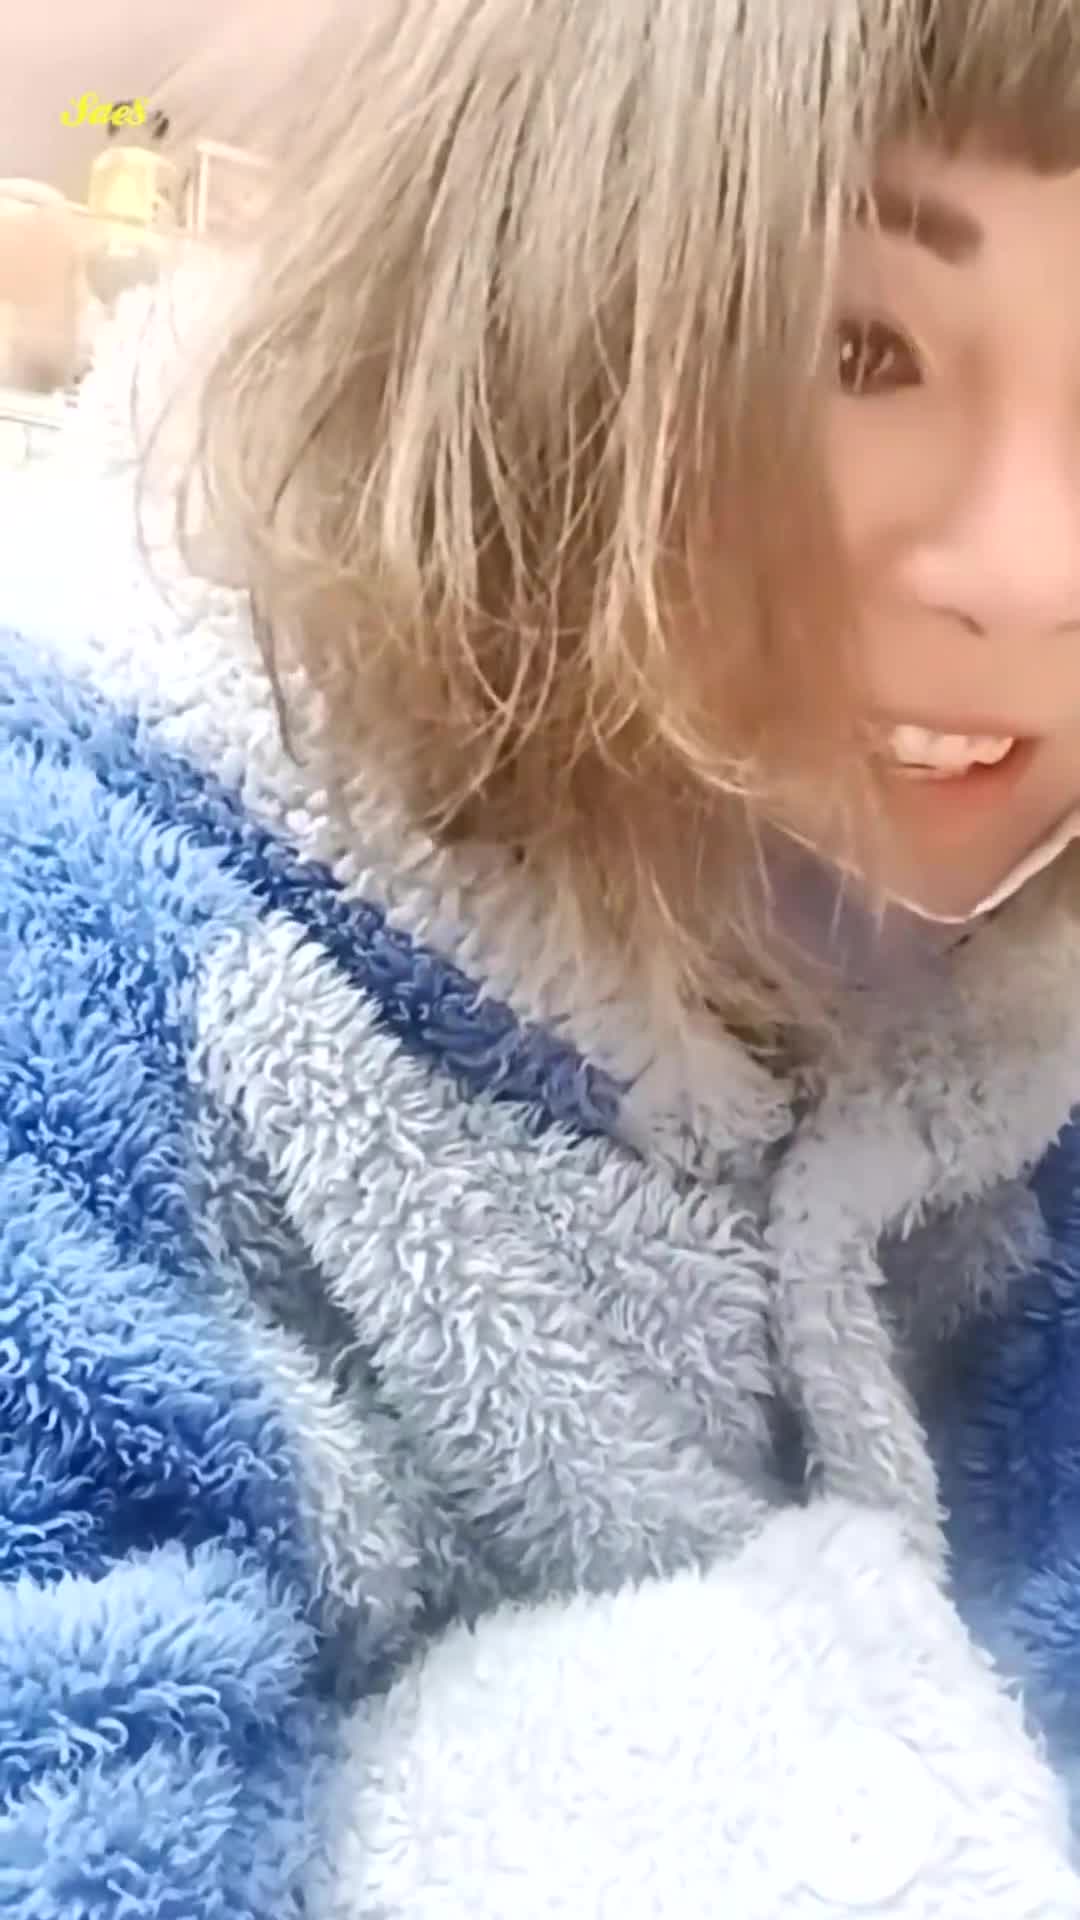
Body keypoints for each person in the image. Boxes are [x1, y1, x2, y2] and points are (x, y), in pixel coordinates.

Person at [5, 1, 1080, 1913]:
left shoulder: (1009, 994)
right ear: (518, 310)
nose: (1035, 572)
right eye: (856, 349)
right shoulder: (89, 956)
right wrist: (865, 1819)